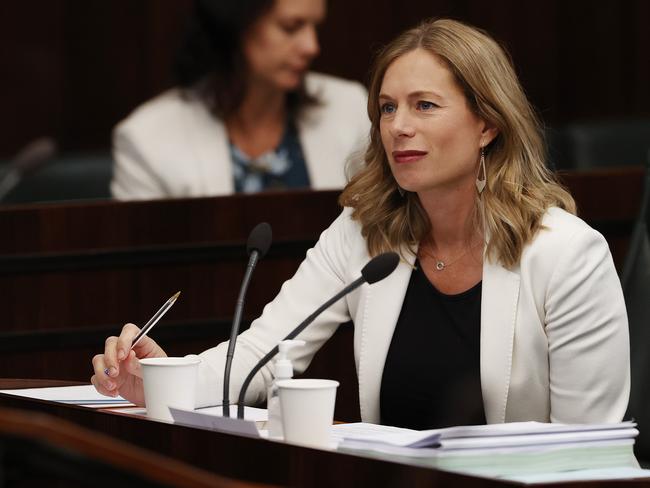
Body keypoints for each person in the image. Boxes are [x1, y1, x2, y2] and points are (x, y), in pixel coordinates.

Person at [93, 19, 630, 428]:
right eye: (387, 108)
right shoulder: (364, 231)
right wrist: (157, 378)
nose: (398, 127)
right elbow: (260, 354)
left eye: (424, 106)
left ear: (487, 123)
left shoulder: (566, 254)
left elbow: (587, 448)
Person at [111, 0, 369, 200]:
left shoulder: (350, 106)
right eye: (291, 28)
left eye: (315, 27)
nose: (311, 46)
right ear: (237, 25)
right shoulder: (146, 139)